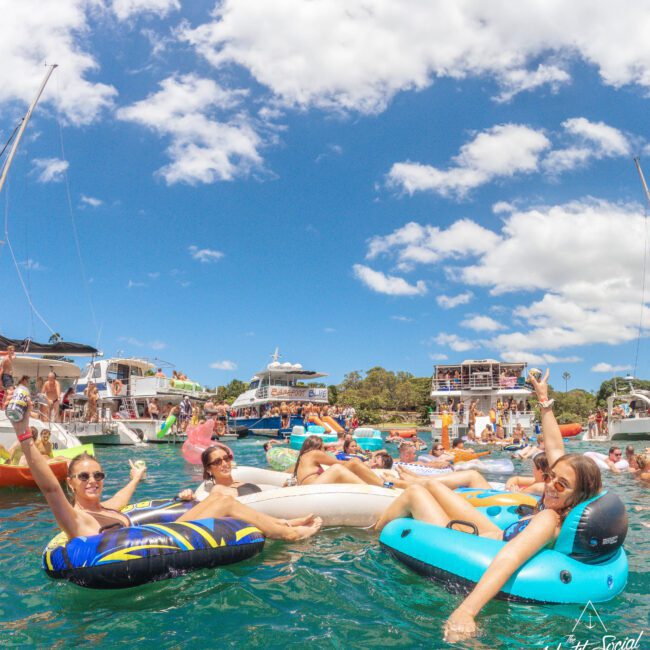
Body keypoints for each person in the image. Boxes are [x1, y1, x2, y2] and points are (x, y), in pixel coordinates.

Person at [375, 369, 606, 643]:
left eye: (559, 485)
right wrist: (544, 400)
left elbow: (510, 557)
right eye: (550, 477)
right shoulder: (562, 502)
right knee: (434, 486)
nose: (549, 485)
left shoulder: (549, 519)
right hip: (494, 532)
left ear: (578, 495)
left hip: (482, 541)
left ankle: (371, 536)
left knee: (415, 493)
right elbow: (556, 449)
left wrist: (466, 611)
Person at [7, 403, 321, 542]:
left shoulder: (101, 511)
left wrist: (134, 479)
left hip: (154, 530)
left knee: (224, 496)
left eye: (98, 476)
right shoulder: (75, 518)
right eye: (85, 477)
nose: (93, 481)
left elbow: (118, 501)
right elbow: (48, 489)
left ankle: (284, 521)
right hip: (149, 540)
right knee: (223, 500)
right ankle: (289, 534)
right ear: (70, 483)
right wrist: (24, 434)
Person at [293, 435, 402, 488]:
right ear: (317, 447)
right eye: (323, 447)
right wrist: (362, 464)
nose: (324, 450)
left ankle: (374, 486)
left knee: (350, 463)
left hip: (310, 486)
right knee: (343, 466)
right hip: (312, 487)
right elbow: (340, 464)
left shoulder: (304, 457)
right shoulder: (314, 453)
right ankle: (379, 486)